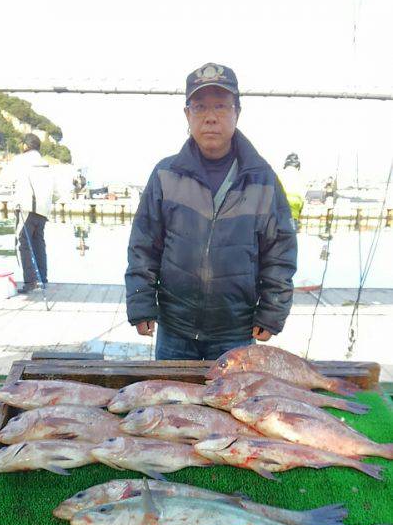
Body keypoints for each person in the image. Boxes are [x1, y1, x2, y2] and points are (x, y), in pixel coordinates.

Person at [125, 62, 298, 361]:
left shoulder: (262, 179)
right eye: (200, 107)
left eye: (220, 106)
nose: (210, 117)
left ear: (237, 112)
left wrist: (272, 311)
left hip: (236, 331)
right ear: (187, 114)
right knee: (170, 393)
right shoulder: (165, 174)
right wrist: (141, 302)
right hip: (174, 328)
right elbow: (143, 244)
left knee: (234, 394)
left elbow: (280, 252)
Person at [0, 133, 57, 293]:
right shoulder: (46, 164)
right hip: (43, 211)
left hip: (26, 209)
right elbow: (56, 191)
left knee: (23, 244)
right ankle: (42, 279)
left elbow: (3, 178)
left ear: (25, 146)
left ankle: (30, 282)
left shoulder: (20, 160)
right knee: (39, 244)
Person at [280, 153, 305, 223]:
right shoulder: (300, 177)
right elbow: (302, 198)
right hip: (293, 214)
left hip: (280, 212)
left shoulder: (280, 174)